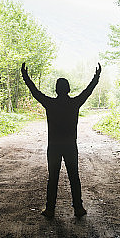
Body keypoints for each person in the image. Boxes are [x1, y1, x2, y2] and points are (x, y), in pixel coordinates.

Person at [21, 62, 101, 218]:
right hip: (70, 146)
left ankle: (50, 209)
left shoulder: (50, 103)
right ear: (68, 89)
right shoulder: (74, 103)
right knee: (74, 177)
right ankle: (78, 208)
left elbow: (35, 92)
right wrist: (96, 77)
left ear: (56, 90)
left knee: (53, 178)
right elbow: (88, 91)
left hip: (54, 147)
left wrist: (26, 77)